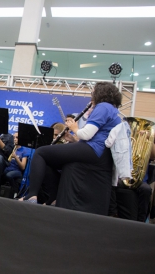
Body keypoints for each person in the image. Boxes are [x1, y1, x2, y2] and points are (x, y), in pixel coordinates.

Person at [22, 82, 122, 210]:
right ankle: (54, 199)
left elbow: (86, 135)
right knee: (48, 162)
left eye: (93, 92)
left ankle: (31, 197)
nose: (91, 95)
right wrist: (73, 140)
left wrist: (74, 127)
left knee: (40, 153)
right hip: (98, 152)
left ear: (100, 93)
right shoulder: (112, 110)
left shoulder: (103, 107)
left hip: (95, 150)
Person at [1, 132, 30, 198]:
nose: (15, 139)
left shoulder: (24, 150)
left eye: (17, 137)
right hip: (9, 168)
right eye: (14, 137)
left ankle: (16, 191)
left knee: (9, 175)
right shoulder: (13, 148)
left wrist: (16, 157)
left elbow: (22, 167)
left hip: (17, 171)